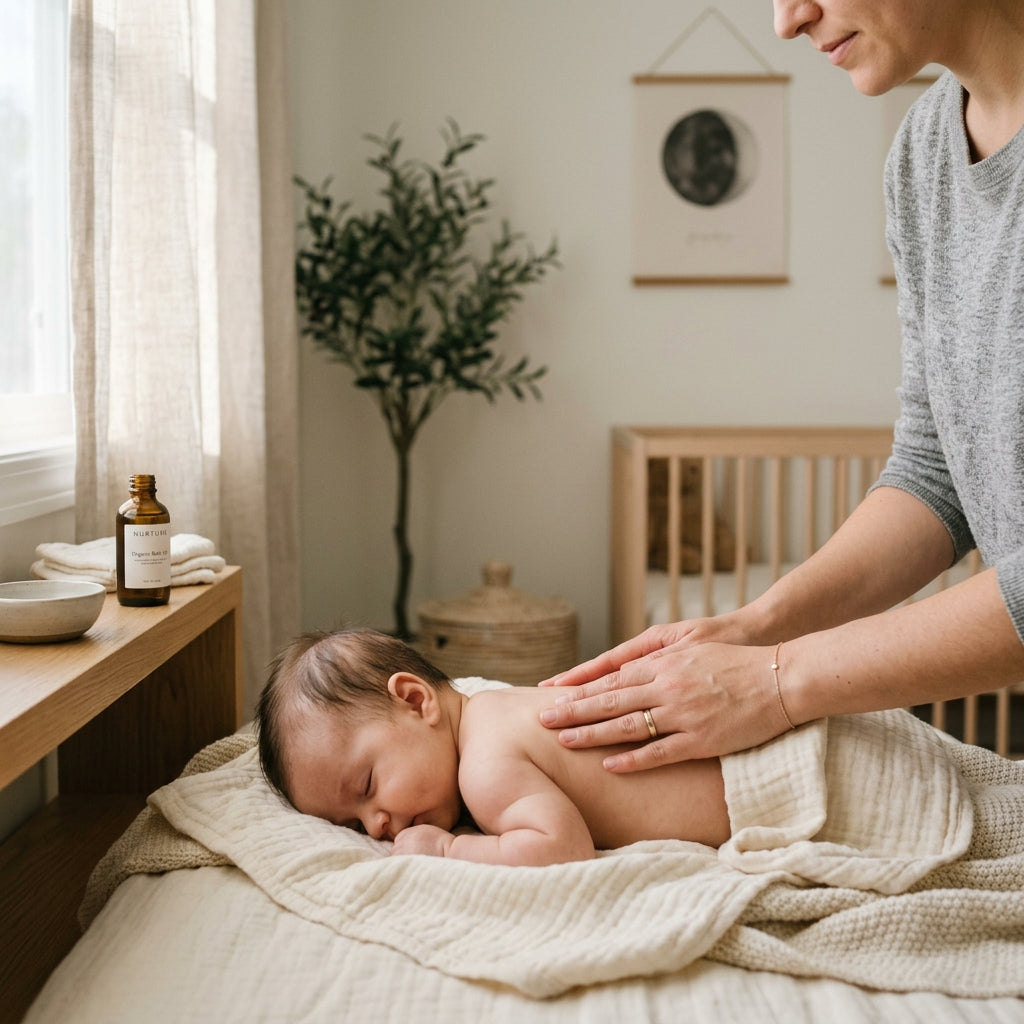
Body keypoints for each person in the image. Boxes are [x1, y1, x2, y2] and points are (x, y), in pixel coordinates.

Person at [538, 0, 1024, 770]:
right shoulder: (923, 153)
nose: (787, 19)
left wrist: (778, 681)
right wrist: (759, 626)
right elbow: (938, 474)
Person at [255, 627, 731, 866]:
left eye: (367, 784)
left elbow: (562, 849)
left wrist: (448, 848)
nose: (375, 824)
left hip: (760, 782)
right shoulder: (490, 704)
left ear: (416, 701)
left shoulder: (484, 768)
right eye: (350, 823)